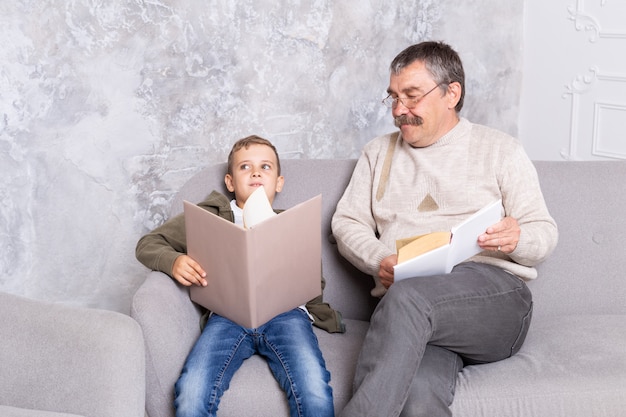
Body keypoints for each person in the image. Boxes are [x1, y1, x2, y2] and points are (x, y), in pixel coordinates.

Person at [331, 41, 558, 417]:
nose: (399, 110)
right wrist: (379, 259)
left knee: (407, 297)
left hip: (493, 302)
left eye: (412, 96)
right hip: (413, 311)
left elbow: (544, 234)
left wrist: (518, 237)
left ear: (451, 93)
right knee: (417, 400)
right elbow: (347, 223)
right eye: (393, 97)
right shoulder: (378, 153)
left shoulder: (500, 150)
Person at [136, 135, 344, 417]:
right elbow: (147, 244)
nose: (256, 172)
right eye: (245, 167)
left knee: (314, 390)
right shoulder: (209, 216)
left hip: (286, 314)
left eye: (265, 167)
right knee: (192, 392)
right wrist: (174, 262)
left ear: (279, 182)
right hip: (227, 315)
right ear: (230, 182)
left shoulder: (292, 222)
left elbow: (314, 283)